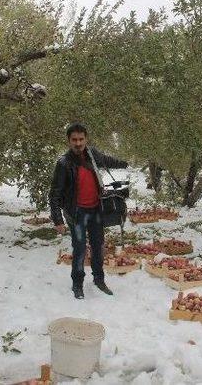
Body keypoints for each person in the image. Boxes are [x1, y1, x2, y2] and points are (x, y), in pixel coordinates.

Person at [49, 123, 128, 299]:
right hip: (76, 213)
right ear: (68, 141)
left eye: (81, 139)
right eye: (74, 140)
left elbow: (108, 161)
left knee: (98, 247)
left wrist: (124, 163)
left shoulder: (92, 155)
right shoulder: (63, 163)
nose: (78, 143)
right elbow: (54, 194)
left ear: (86, 139)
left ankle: (99, 279)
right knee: (79, 249)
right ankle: (77, 284)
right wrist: (58, 219)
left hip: (96, 210)